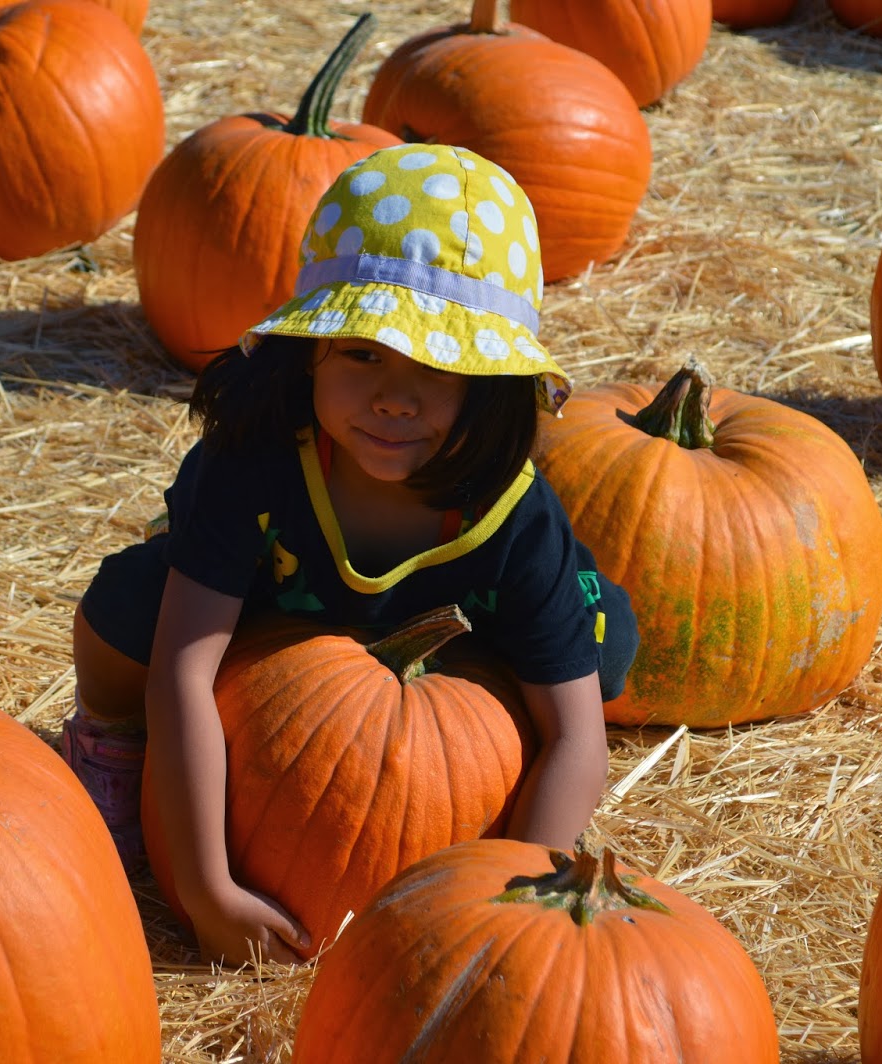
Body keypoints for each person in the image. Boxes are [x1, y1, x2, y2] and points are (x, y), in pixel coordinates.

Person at [60, 143, 639, 965]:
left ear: (493, 385)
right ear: (312, 353)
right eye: (363, 353)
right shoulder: (254, 459)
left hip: (451, 649)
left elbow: (579, 739)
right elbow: (184, 673)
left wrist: (512, 904)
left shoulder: (514, 516)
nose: (394, 398)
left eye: (437, 368)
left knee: (601, 652)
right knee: (130, 605)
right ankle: (111, 744)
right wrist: (204, 889)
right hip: (277, 622)